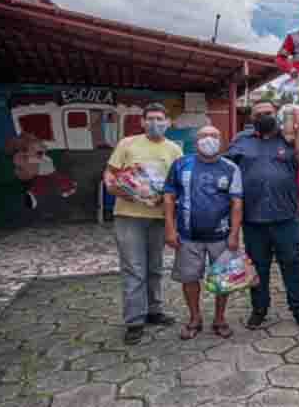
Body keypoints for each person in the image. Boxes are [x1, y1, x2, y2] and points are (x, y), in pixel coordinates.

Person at [226, 97, 299, 330]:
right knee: (258, 267)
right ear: (251, 118)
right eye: (258, 114)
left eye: (268, 113)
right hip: (253, 219)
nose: (263, 117)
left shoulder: (288, 139)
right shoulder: (241, 141)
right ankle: (259, 309)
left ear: (276, 115)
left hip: (286, 218)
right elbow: (226, 168)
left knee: (292, 265)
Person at [103, 103, 183, 345]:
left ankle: (154, 311)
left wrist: (166, 201)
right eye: (150, 119)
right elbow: (110, 173)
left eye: (159, 119)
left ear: (168, 123)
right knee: (134, 268)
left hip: (159, 217)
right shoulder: (127, 144)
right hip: (129, 216)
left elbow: (177, 184)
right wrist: (114, 187)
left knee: (155, 267)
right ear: (142, 122)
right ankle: (135, 321)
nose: (154, 123)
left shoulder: (175, 150)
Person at [163, 126, 243, 340]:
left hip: (221, 236)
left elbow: (236, 203)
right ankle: (195, 318)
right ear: (195, 140)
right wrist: (170, 228)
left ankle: (220, 319)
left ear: (222, 140)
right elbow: (169, 197)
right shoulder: (181, 164)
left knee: (223, 279)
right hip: (188, 236)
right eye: (203, 136)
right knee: (189, 279)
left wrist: (235, 234)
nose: (209, 139)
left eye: (214, 136)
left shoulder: (231, 168)